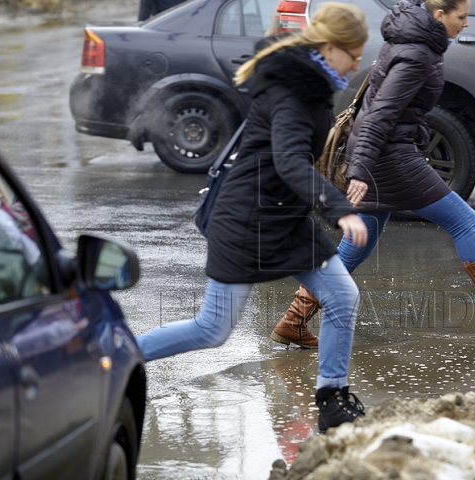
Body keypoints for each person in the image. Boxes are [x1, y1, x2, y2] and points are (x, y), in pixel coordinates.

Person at [136, 2, 370, 433]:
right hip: (247, 218)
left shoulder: (311, 78)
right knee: (212, 328)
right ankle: (119, 355)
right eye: (354, 53)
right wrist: (337, 208)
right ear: (330, 47)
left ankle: (331, 401)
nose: (358, 62)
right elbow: (289, 161)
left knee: (342, 296)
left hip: (284, 216)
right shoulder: (293, 88)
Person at [270, 0, 475, 349]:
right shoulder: (418, 54)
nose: (466, 24)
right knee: (463, 219)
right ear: (439, 15)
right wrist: (359, 169)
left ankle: (293, 321)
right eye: (461, 17)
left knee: (357, 244)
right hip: (390, 158)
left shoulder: (410, 39)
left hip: (383, 155)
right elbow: (380, 113)